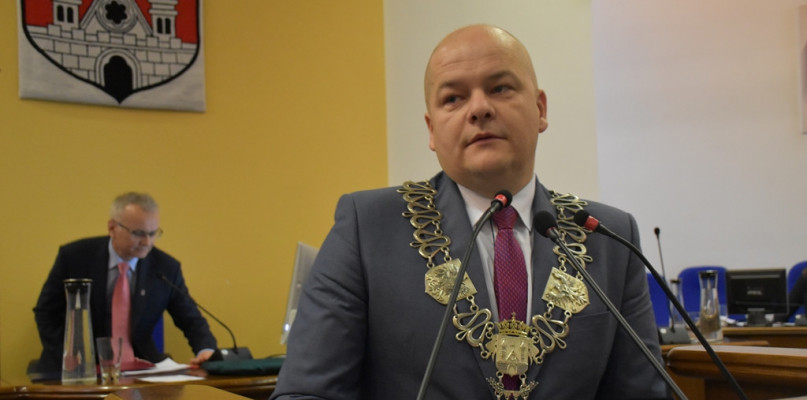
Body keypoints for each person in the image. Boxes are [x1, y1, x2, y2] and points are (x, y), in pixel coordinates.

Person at [270, 24, 668, 399]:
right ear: (431, 129)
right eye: (453, 99)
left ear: (540, 108)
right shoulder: (368, 228)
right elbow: (306, 392)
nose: (479, 108)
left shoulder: (607, 236)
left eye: (500, 88)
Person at [33, 192, 217, 374]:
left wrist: (206, 350)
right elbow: (46, 312)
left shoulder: (165, 268)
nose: (147, 242)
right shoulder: (75, 257)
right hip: (78, 367)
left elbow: (190, 318)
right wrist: (69, 354)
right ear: (112, 228)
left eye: (153, 233)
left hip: (141, 366)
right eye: (138, 233)